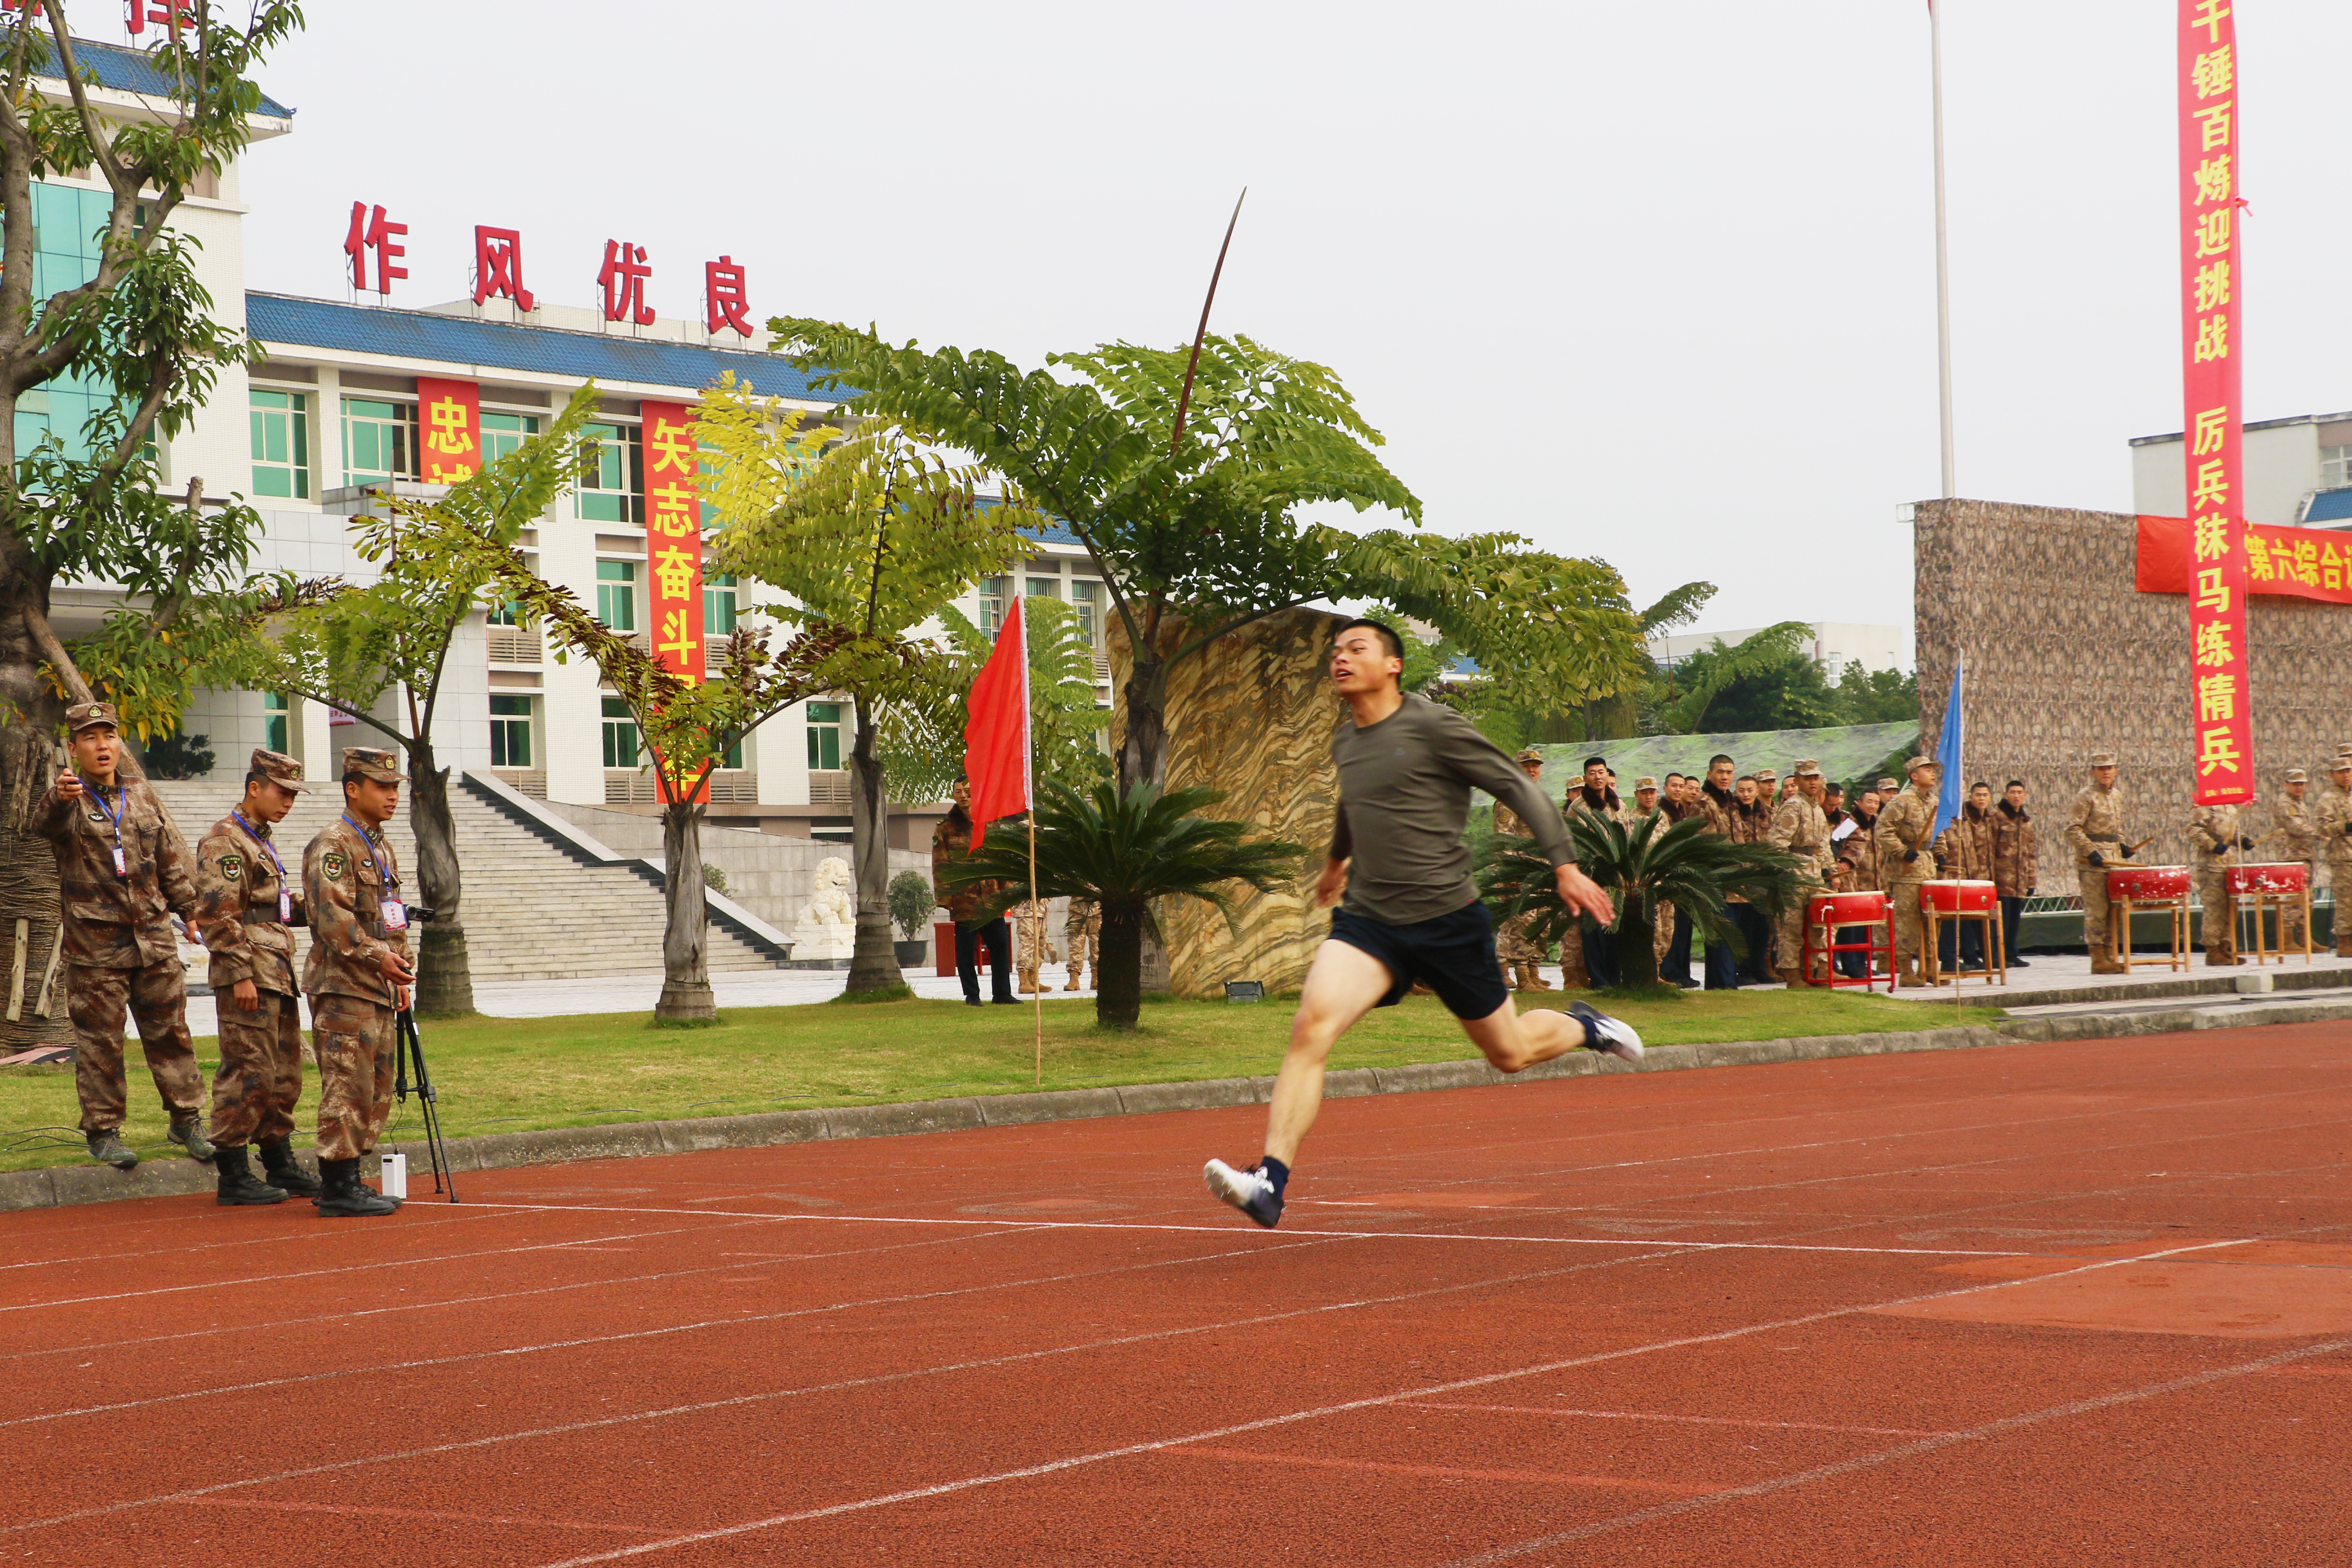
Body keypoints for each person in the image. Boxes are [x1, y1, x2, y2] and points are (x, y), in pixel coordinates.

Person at [1202, 618, 1641, 1228]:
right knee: (1312, 1027)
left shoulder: (1432, 725)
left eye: (1357, 649)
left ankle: (1585, 1026)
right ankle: (1269, 1183)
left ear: (1393, 665)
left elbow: (1517, 786)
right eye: (1336, 651)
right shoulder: (1346, 741)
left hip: (1446, 920)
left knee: (1508, 1052)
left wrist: (1564, 866)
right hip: (1370, 922)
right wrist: (1335, 864)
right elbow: (1355, 804)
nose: (1341, 659)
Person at [35, 701, 211, 1171]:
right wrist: (58, 797)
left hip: (153, 939)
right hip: (97, 950)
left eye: (108, 736)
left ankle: (187, 1118)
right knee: (103, 1044)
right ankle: (104, 1129)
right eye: (90, 738)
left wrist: (190, 911)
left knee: (171, 1033)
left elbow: (168, 861)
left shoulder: (141, 797)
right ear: (73, 749)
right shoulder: (68, 801)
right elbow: (43, 825)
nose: (102, 745)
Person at [197, 748, 320, 1206]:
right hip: (249, 970)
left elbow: (275, 907)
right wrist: (238, 976)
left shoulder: (259, 838)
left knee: (283, 1073)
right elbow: (217, 914)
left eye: (293, 794)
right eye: (281, 792)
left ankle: (279, 1162)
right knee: (247, 1070)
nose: (288, 801)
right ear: (255, 788)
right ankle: (232, 1172)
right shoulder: (225, 842)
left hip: (276, 967)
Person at [301, 747, 416, 1219]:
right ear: (353, 789)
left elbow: (392, 915)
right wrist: (380, 956)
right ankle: (337, 1183)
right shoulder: (333, 845)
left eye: (395, 787)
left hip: (379, 986)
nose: (393, 796)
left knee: (375, 1085)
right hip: (344, 985)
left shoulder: (379, 845)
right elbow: (331, 919)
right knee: (347, 1085)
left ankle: (353, 1177)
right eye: (382, 787)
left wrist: (402, 968)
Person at [932, 778, 1016, 1006]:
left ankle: (1002, 994)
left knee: (1000, 947)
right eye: (958, 791)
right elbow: (941, 865)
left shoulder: (991, 824)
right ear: (953, 795)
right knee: (966, 952)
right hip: (964, 900)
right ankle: (972, 995)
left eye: (968, 791)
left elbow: (1002, 860)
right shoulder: (945, 828)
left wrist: (1006, 892)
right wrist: (945, 897)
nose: (963, 795)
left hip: (991, 900)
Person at [1491, 747, 1556, 992]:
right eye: (1526, 765)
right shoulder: (1509, 799)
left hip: (1543, 872)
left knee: (1541, 924)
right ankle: (1522, 977)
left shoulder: (1539, 797)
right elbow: (1503, 840)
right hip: (1522, 874)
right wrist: (1509, 874)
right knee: (1521, 924)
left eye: (1536, 765)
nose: (1532, 770)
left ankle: (1533, 972)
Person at [1875, 756, 1943, 987]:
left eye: (1933, 770)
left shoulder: (1933, 800)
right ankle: (1905, 971)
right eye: (1926, 770)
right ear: (1914, 776)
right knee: (1908, 920)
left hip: (1927, 866)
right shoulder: (1902, 801)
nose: (1932, 774)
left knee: (1931, 919)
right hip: (1906, 870)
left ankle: (1930, 968)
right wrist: (1901, 851)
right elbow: (1883, 830)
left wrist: (1941, 853)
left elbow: (1938, 831)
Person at [1766, 760, 1834, 985]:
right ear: (1797, 780)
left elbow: (1823, 844)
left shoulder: (1816, 808)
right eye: (1808, 778)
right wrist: (1785, 873)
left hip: (1813, 872)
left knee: (1815, 926)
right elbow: (1776, 844)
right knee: (1791, 925)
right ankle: (1791, 973)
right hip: (1794, 871)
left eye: (1816, 777)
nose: (1813, 782)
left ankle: (1811, 971)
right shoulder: (1792, 806)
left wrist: (1828, 871)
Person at [2066, 752, 2133, 975]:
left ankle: (2110, 954)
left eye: (2110, 768)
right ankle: (2098, 958)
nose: (2106, 772)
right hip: (2093, 862)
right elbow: (2073, 828)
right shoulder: (2085, 797)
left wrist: (2123, 845)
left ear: (2116, 770)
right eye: (2101, 768)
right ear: (2093, 771)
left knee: (2114, 910)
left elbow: (2118, 827)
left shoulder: (2117, 796)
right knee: (2097, 910)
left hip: (2114, 860)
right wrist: (2090, 851)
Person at [1563, 757, 1625, 986]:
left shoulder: (1619, 805)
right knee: (1593, 931)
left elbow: (1627, 838)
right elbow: (1569, 842)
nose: (1598, 777)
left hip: (1616, 877)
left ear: (1608, 775)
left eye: (1601, 772)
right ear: (1586, 777)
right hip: (1590, 876)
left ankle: (1615, 978)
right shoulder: (1578, 808)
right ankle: (1599, 981)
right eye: (1592, 773)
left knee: (1614, 928)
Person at [1933, 783, 1995, 972]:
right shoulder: (1939, 812)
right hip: (1947, 875)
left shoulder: (1967, 816)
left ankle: (1969, 956)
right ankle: (1948, 959)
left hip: (1968, 874)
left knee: (1968, 918)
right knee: (1949, 920)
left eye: (1961, 789)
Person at [1691, 755, 1741, 990]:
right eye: (1720, 772)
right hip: (1714, 877)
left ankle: (1721, 983)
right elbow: (1706, 843)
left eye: (1729, 772)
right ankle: (1724, 984)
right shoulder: (1704, 802)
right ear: (1709, 774)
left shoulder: (1729, 802)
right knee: (1721, 930)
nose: (1725, 777)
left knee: (1728, 931)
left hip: (1732, 878)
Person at [2187, 798, 2253, 966]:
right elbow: (2193, 830)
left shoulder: (2230, 807)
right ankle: (2213, 950)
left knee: (2232, 908)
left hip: (2229, 866)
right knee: (2215, 909)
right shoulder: (2205, 807)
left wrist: (2243, 839)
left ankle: (2225, 947)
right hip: (2211, 866)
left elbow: (2232, 832)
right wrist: (2212, 845)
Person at [1834, 787, 1885, 979]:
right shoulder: (1849, 823)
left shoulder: (1877, 823)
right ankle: (1850, 964)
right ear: (1859, 803)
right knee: (1851, 926)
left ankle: (1862, 962)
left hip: (1873, 881)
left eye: (1876, 803)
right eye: (1869, 802)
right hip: (1853, 881)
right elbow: (1836, 844)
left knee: (1866, 925)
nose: (1872, 806)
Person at [1992, 780, 2037, 969]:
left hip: (2019, 880)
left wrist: (2031, 880)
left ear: (2025, 795)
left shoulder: (2025, 820)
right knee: (2002, 919)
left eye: (2020, 792)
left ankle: (2011, 953)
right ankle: (1998, 955)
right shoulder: (1997, 817)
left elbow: (2032, 852)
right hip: (2002, 879)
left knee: (2014, 920)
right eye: (2012, 792)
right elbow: (1989, 848)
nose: (2016, 796)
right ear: (2005, 794)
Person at [2271, 770, 2318, 953]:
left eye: (2302, 783)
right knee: (2293, 900)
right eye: (2295, 783)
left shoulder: (2300, 803)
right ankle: (2287, 939)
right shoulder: (2285, 804)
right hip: (2291, 856)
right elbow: (2296, 827)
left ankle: (2305, 937)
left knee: (2308, 899)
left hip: (2304, 855)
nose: (2299, 787)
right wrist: (2320, 834)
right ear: (2286, 785)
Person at [2325, 759, 2352, 957]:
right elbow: (2323, 826)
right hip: (2342, 857)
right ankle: (2343, 942)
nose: (2346, 775)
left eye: (2348, 771)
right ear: (2332, 774)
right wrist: (2344, 827)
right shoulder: (2328, 798)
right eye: (2341, 772)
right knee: (2345, 901)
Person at [1010, 896, 1055, 994]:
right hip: (1026, 911)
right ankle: (1024, 981)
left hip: (1041, 910)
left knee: (1040, 945)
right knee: (1027, 944)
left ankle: (1033, 979)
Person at [1063, 896, 1099, 992]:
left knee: (1098, 946)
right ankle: (1074, 979)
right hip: (1077, 910)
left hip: (1098, 909)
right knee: (1075, 945)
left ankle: (1097, 977)